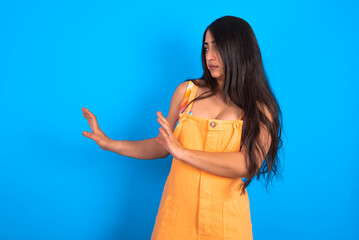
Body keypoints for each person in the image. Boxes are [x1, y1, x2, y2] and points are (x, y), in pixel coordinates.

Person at [82, 16, 283, 240]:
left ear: (239, 49)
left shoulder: (260, 108)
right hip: (177, 216)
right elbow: (162, 147)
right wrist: (110, 143)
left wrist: (184, 153)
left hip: (227, 222)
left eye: (217, 47)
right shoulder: (187, 93)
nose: (209, 57)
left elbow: (247, 164)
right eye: (206, 47)